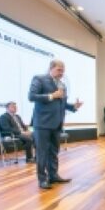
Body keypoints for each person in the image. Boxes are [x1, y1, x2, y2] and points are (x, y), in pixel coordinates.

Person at [28, 60, 83, 190]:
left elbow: (62, 104)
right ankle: (42, 179)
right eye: (59, 70)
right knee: (42, 153)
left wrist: (73, 107)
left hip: (57, 124)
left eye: (63, 71)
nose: (61, 73)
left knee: (54, 152)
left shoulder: (62, 85)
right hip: (42, 124)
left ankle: (53, 175)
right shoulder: (40, 79)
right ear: (51, 68)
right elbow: (31, 96)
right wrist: (51, 96)